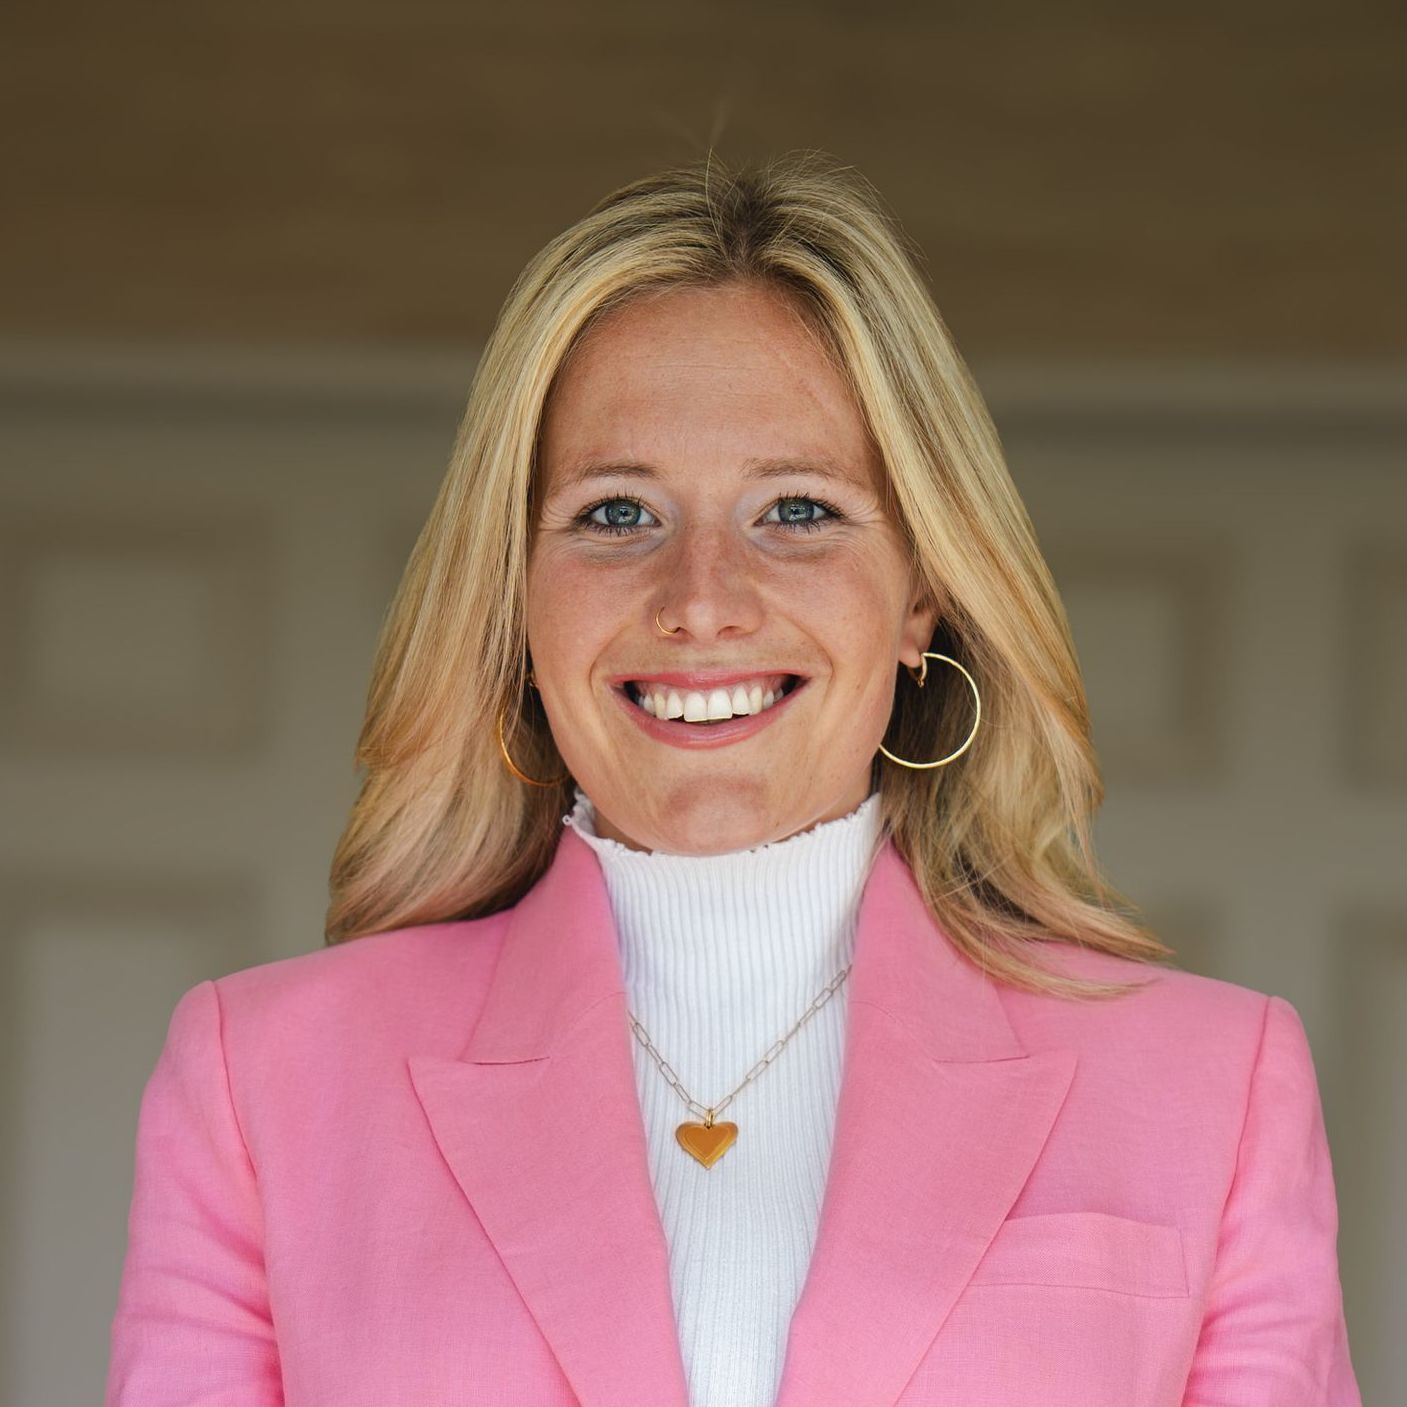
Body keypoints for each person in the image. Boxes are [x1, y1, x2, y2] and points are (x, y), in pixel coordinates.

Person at [105, 152, 1361, 1407]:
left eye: (798, 511)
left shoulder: (1213, 1083)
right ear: (516, 601)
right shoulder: (263, 1082)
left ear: (920, 592)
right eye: (615, 516)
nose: (702, 601)